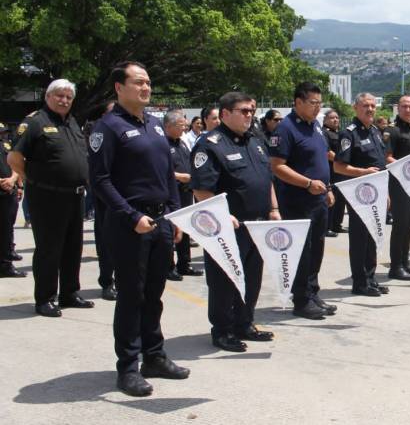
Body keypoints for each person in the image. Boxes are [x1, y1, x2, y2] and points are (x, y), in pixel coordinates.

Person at [89, 62, 189, 397]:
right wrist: (131, 216)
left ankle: (155, 356)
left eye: (148, 82)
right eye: (138, 83)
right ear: (119, 87)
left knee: (154, 295)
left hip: (160, 222)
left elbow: (168, 175)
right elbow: (100, 181)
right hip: (130, 224)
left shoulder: (157, 125)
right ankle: (128, 368)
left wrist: (175, 214)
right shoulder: (108, 127)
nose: (145, 88)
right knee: (132, 296)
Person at [192, 92, 278, 350]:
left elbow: (266, 178)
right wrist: (221, 214)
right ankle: (222, 330)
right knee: (224, 280)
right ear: (226, 113)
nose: (249, 115)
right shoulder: (210, 144)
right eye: (243, 111)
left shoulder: (256, 140)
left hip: (258, 224)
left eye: (251, 111)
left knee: (252, 278)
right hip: (228, 227)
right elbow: (201, 189)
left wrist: (273, 207)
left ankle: (244, 323)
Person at [9, 79, 92, 317]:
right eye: (59, 96)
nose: (64, 100)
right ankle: (45, 298)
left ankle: (69, 293)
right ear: (47, 97)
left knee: (72, 247)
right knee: (49, 249)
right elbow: (15, 158)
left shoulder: (72, 122)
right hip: (47, 196)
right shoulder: (35, 122)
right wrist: (34, 180)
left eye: (68, 97)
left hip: (74, 196)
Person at [269, 83, 337, 320]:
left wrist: (326, 188)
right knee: (303, 251)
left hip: (318, 198)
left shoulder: (315, 126)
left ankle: (312, 293)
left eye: (320, 103)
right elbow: (277, 166)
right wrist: (308, 184)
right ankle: (301, 299)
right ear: (298, 102)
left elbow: (319, 161)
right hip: (298, 200)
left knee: (317, 248)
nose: (317, 107)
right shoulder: (285, 129)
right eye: (313, 103)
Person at [334, 93, 390, 297]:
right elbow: (339, 166)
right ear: (355, 108)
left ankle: (370, 278)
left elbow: (381, 164)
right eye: (365, 105)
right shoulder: (349, 134)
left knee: (373, 236)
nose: (370, 109)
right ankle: (360, 282)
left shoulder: (374, 131)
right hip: (359, 195)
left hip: (378, 193)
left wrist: (386, 193)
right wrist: (363, 172)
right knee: (360, 239)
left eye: (373, 105)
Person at [385, 95, 410, 281]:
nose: (407, 110)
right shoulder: (392, 131)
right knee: (400, 227)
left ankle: (405, 262)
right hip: (399, 187)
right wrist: (405, 168)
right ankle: (395, 267)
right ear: (397, 108)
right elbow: (387, 157)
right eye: (404, 107)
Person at [164, 110, 203, 280]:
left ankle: (184, 264)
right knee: (172, 230)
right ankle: (168, 267)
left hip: (187, 192)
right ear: (170, 126)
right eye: (181, 125)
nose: (184, 128)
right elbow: (160, 170)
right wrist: (180, 176)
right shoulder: (162, 144)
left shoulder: (182, 143)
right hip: (172, 193)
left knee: (186, 229)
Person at [93, 100, 118, 300]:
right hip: (107, 199)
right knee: (107, 243)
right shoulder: (101, 132)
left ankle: (121, 280)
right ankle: (107, 282)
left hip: (128, 198)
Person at [0, 122, 25, 278]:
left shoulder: (7, 145)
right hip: (3, 187)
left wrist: (15, 181)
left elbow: (16, 165)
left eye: (3, 132)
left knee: (7, 229)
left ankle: (6, 264)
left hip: (9, 190)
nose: (3, 135)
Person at [322, 110, 347, 236]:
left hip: (341, 171)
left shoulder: (340, 133)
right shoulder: (324, 133)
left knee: (340, 200)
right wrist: (341, 161)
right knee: (331, 200)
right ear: (325, 119)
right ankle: (327, 227)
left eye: (337, 117)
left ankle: (337, 225)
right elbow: (327, 153)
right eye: (332, 118)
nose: (335, 120)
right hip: (331, 170)